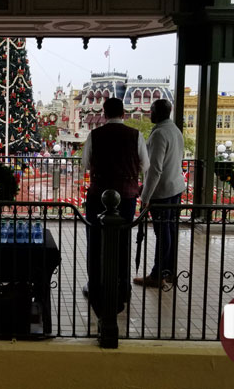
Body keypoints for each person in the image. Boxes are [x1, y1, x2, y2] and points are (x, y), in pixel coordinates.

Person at [82, 97, 149, 316]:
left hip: (98, 194)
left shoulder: (95, 135)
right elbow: (145, 165)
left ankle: (95, 286)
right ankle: (123, 288)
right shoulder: (135, 135)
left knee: (95, 240)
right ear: (123, 113)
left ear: (104, 113)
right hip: (127, 196)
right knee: (123, 241)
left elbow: (85, 163)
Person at [134, 99, 186, 288]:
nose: (150, 113)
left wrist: (145, 197)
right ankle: (168, 272)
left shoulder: (159, 134)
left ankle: (157, 275)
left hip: (162, 192)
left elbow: (155, 169)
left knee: (163, 233)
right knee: (170, 230)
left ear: (159, 112)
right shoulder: (175, 130)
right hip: (175, 187)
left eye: (152, 110)